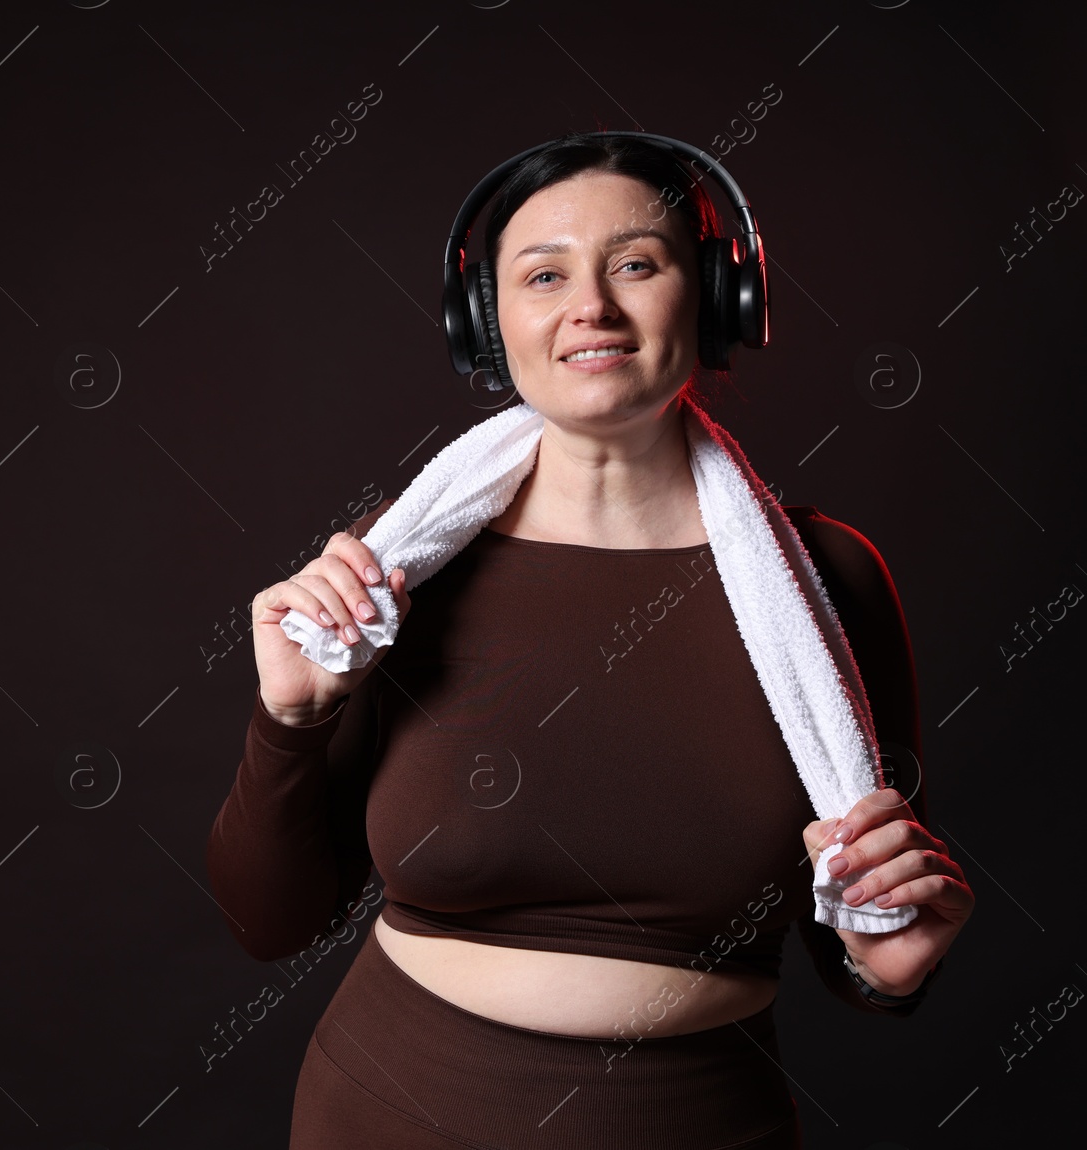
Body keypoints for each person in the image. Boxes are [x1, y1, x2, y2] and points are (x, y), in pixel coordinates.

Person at [206, 133, 974, 1149]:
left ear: (712, 297)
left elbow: (862, 933)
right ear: (488, 323)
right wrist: (290, 720)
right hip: (383, 1110)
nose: (591, 308)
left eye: (636, 264)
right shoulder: (397, 573)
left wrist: (891, 967)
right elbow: (271, 923)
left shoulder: (828, 581)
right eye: (543, 274)